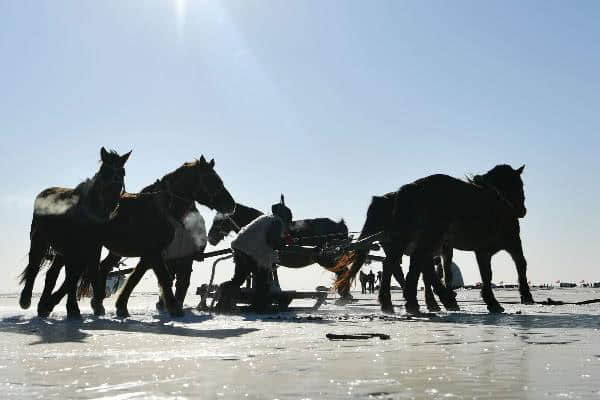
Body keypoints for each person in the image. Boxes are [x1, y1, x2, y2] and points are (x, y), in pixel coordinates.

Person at [216, 195, 292, 313]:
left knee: (237, 280)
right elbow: (271, 241)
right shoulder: (277, 222)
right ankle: (258, 307)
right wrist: (284, 242)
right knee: (262, 280)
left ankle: (222, 303)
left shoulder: (266, 218)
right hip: (254, 252)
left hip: (240, 248)